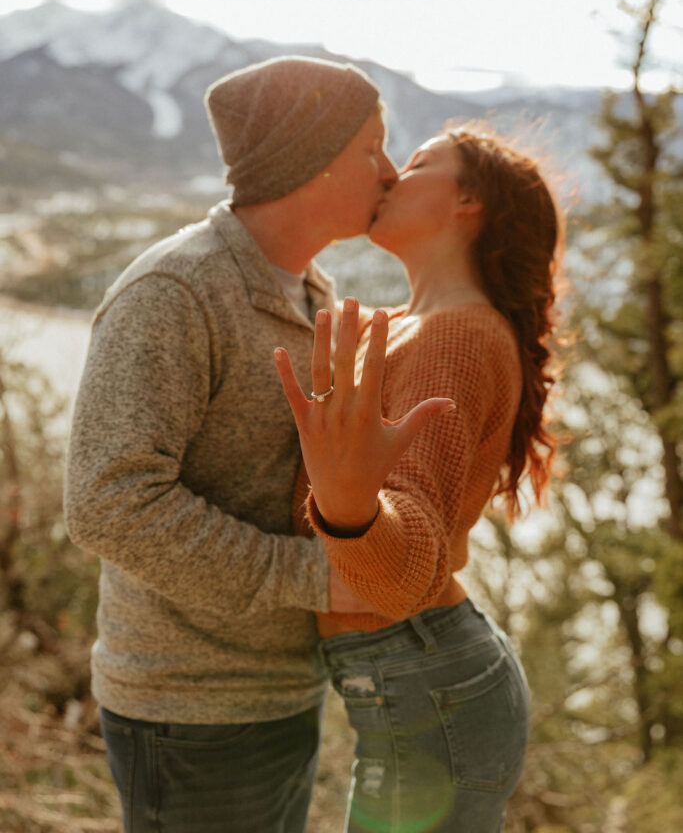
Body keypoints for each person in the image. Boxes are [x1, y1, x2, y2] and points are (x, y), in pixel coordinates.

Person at [63, 55, 399, 833]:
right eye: (368, 150)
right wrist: (310, 576)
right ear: (308, 162)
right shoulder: (177, 292)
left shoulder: (313, 292)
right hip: (188, 709)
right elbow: (107, 504)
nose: (388, 171)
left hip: (279, 690)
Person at [275, 125, 562, 833]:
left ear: (468, 199)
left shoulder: (456, 337)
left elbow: (403, 572)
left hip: (428, 684)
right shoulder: (414, 325)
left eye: (416, 164)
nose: (390, 178)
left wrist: (347, 509)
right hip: (422, 681)